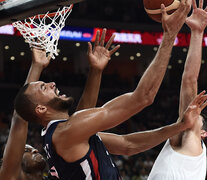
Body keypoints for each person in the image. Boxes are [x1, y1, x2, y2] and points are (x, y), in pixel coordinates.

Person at [14, 1, 193, 179]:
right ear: (41, 109)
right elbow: (143, 97)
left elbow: (128, 145)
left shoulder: (63, 133)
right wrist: (170, 35)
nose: (52, 83)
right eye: (44, 87)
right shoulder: (67, 132)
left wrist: (179, 127)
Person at [0, 29, 118, 179]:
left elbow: (81, 119)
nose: (35, 150)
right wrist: (36, 67)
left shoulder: (55, 175)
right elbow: (19, 118)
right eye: (26, 151)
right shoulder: (7, 175)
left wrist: (95, 72)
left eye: (30, 148)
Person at [148, 0, 207, 179]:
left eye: (198, 115)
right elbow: (189, 81)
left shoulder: (191, 142)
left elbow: (189, 81)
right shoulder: (188, 143)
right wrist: (197, 33)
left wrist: (197, 32)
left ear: (203, 134)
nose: (191, 112)